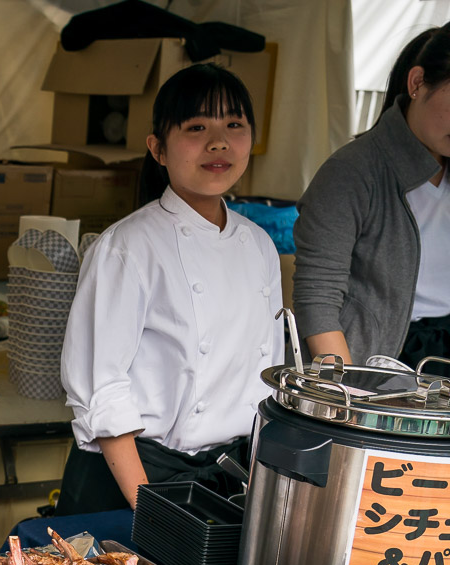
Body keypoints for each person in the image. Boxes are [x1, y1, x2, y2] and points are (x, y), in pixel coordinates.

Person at [57, 64, 283, 515]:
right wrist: (150, 508)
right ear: (158, 149)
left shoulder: (259, 245)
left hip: (228, 479)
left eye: (234, 124)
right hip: (135, 479)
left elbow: (268, 379)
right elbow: (102, 388)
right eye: (197, 127)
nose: (218, 142)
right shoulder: (127, 247)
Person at [293, 24, 450, 366]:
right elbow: (317, 296)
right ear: (417, 83)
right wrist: (346, 391)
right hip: (379, 363)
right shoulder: (351, 172)